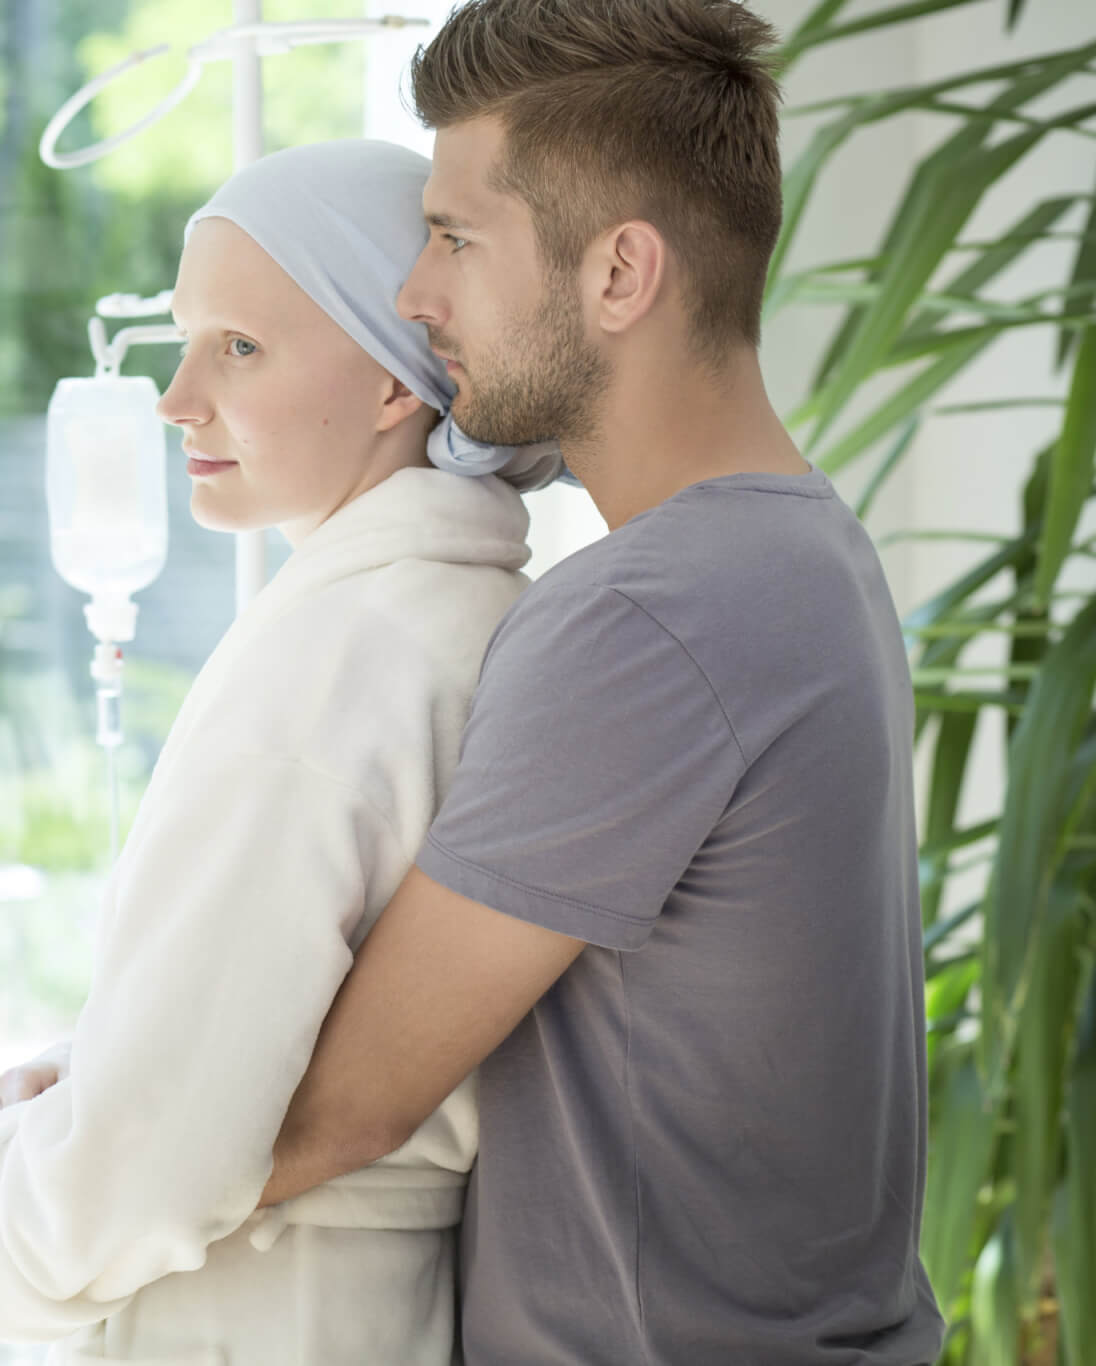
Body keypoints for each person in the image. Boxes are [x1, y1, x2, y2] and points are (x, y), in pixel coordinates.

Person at [260, 2, 947, 1363]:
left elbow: (341, 1105)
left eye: (455, 237)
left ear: (620, 273)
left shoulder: (645, 613)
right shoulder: (806, 548)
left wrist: (51, 1177)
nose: (415, 293)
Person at [0, 137, 559, 1365]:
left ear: (397, 383)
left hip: (259, 1313)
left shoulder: (341, 656)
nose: (174, 399)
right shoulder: (458, 616)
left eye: (239, 347)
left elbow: (147, 1160)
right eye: (185, 341)